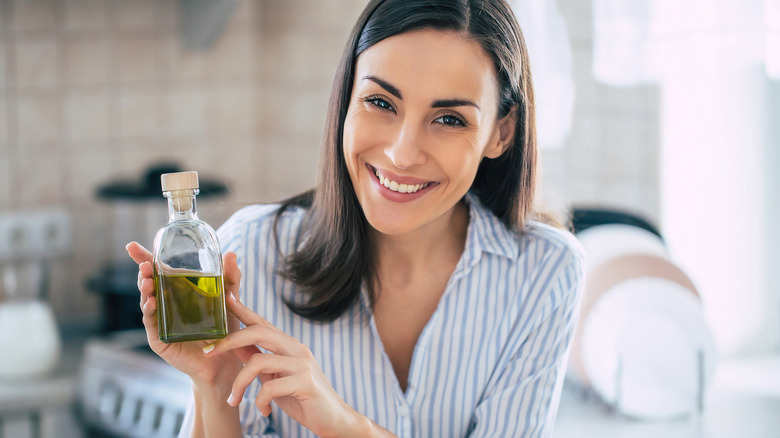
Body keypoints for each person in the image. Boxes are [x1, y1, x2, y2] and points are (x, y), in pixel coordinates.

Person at [127, 0, 585, 436]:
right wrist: (213, 380)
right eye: (381, 103)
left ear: (501, 133)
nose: (402, 154)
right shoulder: (248, 254)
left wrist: (344, 426)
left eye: (449, 119)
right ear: (346, 98)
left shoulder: (543, 271)